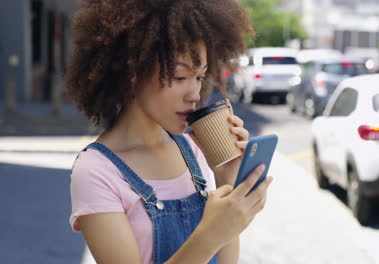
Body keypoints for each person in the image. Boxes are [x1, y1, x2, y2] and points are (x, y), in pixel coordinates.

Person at [66, 1, 273, 263]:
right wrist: (209, 236)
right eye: (179, 77)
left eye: (199, 77)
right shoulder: (96, 171)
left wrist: (227, 181)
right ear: (133, 71)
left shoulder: (194, 150)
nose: (195, 95)